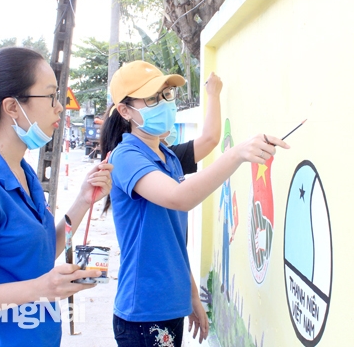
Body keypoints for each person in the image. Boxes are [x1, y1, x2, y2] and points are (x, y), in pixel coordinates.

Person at [99, 60, 289, 346]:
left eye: (166, 95)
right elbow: (180, 198)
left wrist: (191, 298)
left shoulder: (169, 158)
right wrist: (237, 154)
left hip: (169, 306)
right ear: (125, 111)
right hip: (144, 311)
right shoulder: (125, 157)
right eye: (151, 98)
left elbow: (174, 243)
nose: (164, 103)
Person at [0, 47, 113, 346]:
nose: (60, 107)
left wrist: (83, 200)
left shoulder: (22, 172)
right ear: (12, 107)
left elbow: (40, 253)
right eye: (51, 96)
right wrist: (41, 289)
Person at [162, 72, 223, 175]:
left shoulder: (165, 155)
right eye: (151, 99)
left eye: (168, 94)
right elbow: (209, 139)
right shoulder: (138, 158)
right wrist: (213, 94)